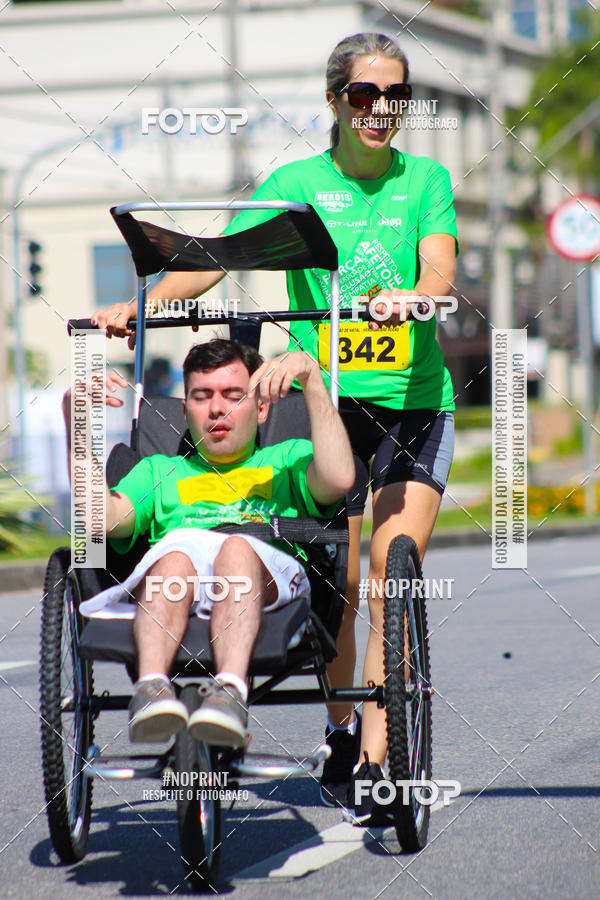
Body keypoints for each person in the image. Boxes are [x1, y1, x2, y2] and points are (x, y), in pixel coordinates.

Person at [92, 32, 457, 823]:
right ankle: (339, 726)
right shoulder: (295, 182)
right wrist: (144, 302)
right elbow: (215, 256)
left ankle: (375, 755)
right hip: (325, 411)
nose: (381, 111)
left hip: (413, 408)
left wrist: (415, 295)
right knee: (341, 583)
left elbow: (437, 265)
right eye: (365, 96)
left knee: (392, 576)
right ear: (335, 102)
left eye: (395, 97)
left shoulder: (425, 178)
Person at [62, 340, 354, 747]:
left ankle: (230, 693)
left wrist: (314, 382)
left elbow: (341, 479)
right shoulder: (158, 471)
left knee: (236, 548)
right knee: (176, 556)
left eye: (233, 396)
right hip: (180, 586)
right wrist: (77, 422)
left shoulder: (288, 459)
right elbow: (101, 520)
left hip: (267, 585)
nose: (217, 408)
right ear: (186, 410)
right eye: (202, 396)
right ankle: (151, 691)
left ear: (262, 408)